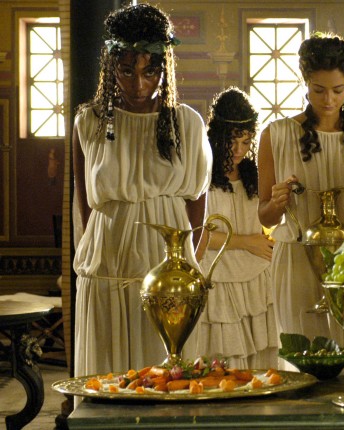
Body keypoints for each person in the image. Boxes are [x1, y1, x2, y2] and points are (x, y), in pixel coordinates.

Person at [72, 3, 211, 377]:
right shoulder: (90, 121)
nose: (139, 84)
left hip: (166, 258)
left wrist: (185, 264)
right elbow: (84, 203)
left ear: (165, 68)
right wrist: (92, 250)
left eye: (150, 72)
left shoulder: (187, 123)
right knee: (107, 369)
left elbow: (197, 202)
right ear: (110, 65)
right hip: (107, 255)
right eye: (126, 71)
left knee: (166, 372)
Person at [258, 33, 344, 344]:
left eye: (337, 90)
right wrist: (276, 202)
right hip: (297, 266)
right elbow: (266, 217)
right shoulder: (276, 135)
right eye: (319, 90)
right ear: (304, 82)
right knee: (305, 355)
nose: (329, 100)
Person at [192, 87, 278, 368]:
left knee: (261, 364)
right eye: (232, 141)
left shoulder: (254, 174)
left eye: (246, 141)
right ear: (217, 136)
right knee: (223, 364)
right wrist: (247, 242)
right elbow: (197, 235)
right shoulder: (201, 174)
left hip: (256, 279)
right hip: (218, 277)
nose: (239, 150)